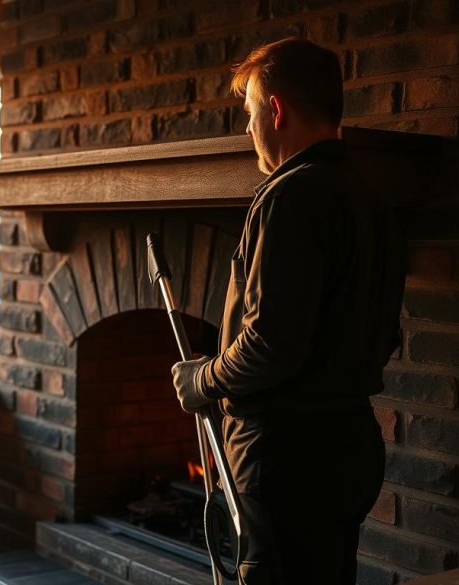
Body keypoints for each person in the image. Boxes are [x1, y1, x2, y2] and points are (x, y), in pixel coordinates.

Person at [171, 38, 406, 585]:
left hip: (286, 461)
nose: (249, 129)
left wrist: (203, 379)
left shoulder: (289, 197)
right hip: (350, 447)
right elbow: (382, 334)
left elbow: (271, 345)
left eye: (251, 114)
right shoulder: (371, 202)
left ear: (275, 110)